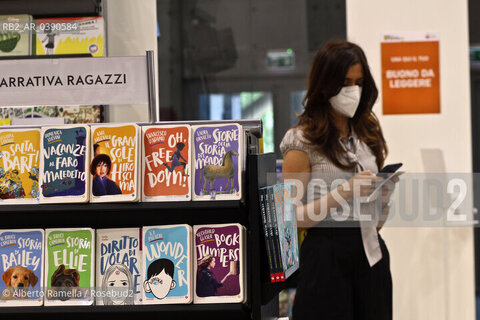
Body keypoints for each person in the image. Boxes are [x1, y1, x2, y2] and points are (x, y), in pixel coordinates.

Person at [280, 40, 398, 319]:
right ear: (324, 85)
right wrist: (345, 191)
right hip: (325, 259)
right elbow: (291, 217)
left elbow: (376, 222)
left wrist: (384, 197)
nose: (353, 91)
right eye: (345, 82)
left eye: (358, 82)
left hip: (372, 255)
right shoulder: (300, 141)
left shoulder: (367, 133)